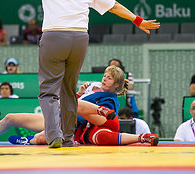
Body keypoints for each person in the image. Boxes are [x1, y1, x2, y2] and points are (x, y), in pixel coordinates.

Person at [38, 0, 160, 148]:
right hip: (79, 38)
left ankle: (55, 135)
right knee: (69, 91)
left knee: (48, 91)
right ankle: (68, 139)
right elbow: (113, 6)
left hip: (54, 35)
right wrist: (138, 20)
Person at [0, 66, 158, 146]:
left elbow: (73, 108)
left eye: (109, 78)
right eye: (105, 75)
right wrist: (80, 93)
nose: (105, 78)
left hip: (89, 122)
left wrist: (78, 98)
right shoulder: (91, 88)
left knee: (54, 123)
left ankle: (29, 140)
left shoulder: (110, 98)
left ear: (116, 86)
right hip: (68, 119)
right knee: (11, 118)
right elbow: (69, 104)